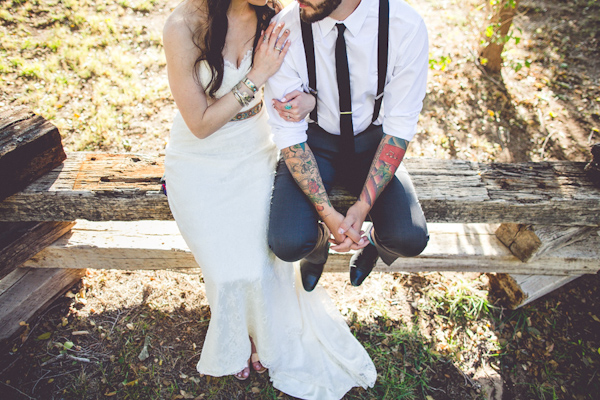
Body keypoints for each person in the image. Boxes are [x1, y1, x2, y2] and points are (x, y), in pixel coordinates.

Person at [162, 0, 376, 398]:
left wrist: (309, 101)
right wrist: (257, 75)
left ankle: (265, 335)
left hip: (257, 150)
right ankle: (237, 336)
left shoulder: (274, 16)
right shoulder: (183, 26)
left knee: (265, 261)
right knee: (230, 272)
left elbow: (320, 80)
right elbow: (200, 124)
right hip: (198, 160)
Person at [266, 0, 430, 292]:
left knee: (409, 238)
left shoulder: (404, 26)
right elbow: (289, 135)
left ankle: (376, 244)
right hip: (314, 140)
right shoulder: (285, 29)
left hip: (372, 141)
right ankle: (316, 251)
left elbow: (399, 127)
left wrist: (363, 206)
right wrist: (331, 219)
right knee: (288, 242)